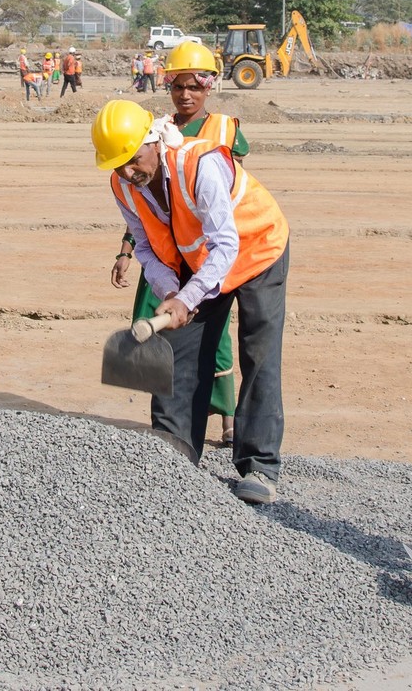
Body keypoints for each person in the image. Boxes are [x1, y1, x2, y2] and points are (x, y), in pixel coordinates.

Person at [93, 98, 289, 504]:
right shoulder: (123, 185)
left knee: (259, 351)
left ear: (153, 141)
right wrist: (169, 293)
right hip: (199, 259)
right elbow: (145, 247)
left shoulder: (199, 164)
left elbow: (226, 243)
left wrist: (190, 296)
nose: (129, 172)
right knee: (180, 354)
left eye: (133, 159)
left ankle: (258, 466)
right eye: (118, 165)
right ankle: (173, 456)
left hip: (256, 249)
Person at [110, 42, 245, 446]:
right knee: (162, 330)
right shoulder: (152, 129)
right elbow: (142, 202)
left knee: (215, 337)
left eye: (194, 87)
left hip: (209, 253)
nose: (185, 95)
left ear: (208, 87)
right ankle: (172, 423)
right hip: (166, 256)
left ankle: (226, 417)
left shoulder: (224, 130)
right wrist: (127, 249)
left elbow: (228, 200)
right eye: (177, 87)